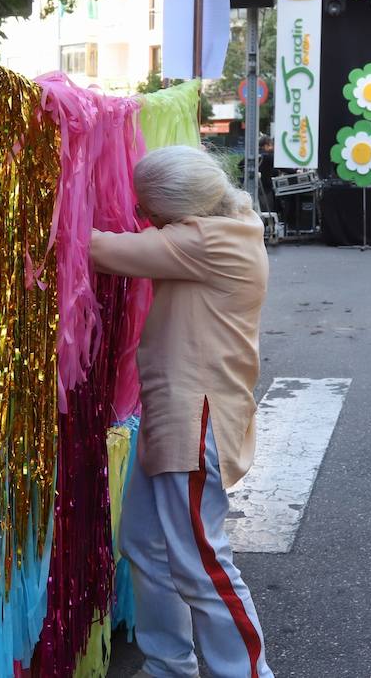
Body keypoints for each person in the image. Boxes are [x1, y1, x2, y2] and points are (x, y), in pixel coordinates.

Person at [88, 145, 275, 678]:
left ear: (172, 210)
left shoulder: (208, 240)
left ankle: (246, 673)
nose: (142, 218)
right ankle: (169, 664)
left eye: (147, 208)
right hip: (178, 413)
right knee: (144, 543)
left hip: (195, 417)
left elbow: (97, 248)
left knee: (202, 564)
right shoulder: (226, 225)